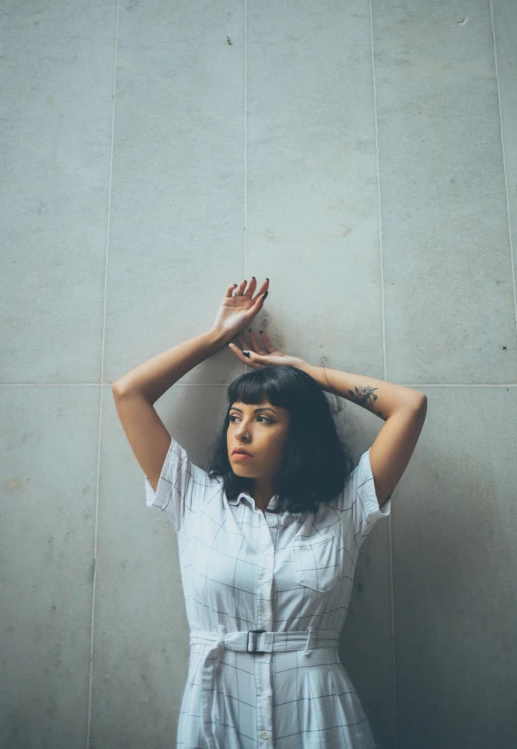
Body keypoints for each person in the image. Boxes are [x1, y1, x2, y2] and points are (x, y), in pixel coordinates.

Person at [112, 277, 427, 749]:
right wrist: (216, 337)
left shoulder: (343, 508)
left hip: (318, 714)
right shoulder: (195, 497)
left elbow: (409, 406)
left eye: (264, 419)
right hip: (216, 711)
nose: (240, 432)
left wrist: (302, 374)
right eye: (236, 416)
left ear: (298, 434)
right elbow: (128, 392)